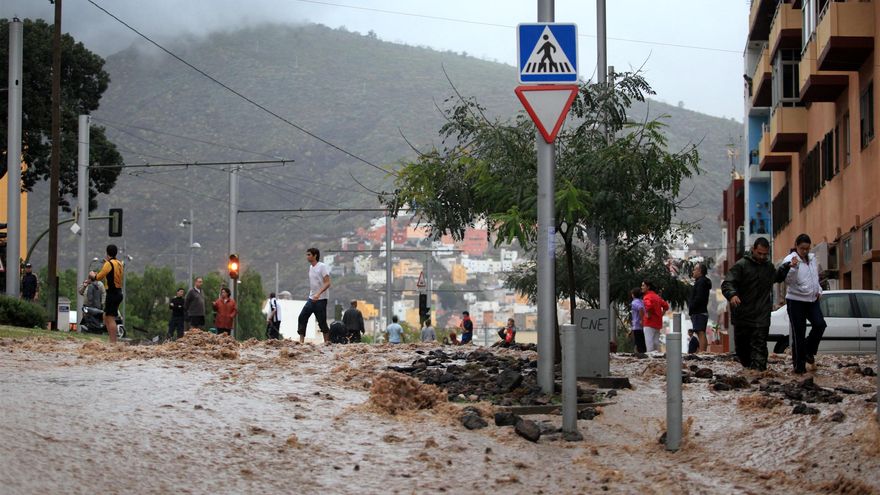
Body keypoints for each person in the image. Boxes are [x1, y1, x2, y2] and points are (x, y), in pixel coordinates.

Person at [721, 237, 791, 371]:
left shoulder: (768, 267)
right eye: (760, 253)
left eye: (765, 254)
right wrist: (732, 294)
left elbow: (776, 277)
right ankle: (748, 374)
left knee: (760, 350)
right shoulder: (741, 265)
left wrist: (786, 267)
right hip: (743, 315)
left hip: (761, 316)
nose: (762, 257)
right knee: (743, 351)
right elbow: (727, 283)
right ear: (753, 250)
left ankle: (759, 379)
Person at [782, 234, 826, 374]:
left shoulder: (812, 259)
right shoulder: (790, 260)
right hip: (796, 301)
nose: (805, 251)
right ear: (796, 246)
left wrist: (819, 290)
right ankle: (799, 367)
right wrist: (793, 267)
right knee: (798, 334)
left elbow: (815, 278)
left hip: (812, 300)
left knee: (820, 324)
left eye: (807, 248)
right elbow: (788, 281)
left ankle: (808, 351)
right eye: (802, 249)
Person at [297, 247, 331, 344]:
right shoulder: (311, 267)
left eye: (309, 255)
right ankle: (301, 342)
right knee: (302, 316)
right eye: (307, 255)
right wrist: (314, 295)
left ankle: (326, 343)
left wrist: (318, 294)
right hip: (311, 298)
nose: (307, 257)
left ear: (315, 255)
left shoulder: (322, 266)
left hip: (321, 299)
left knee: (322, 322)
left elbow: (328, 283)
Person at [94, 244, 124, 344]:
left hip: (112, 293)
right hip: (118, 292)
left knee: (110, 317)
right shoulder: (119, 263)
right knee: (106, 316)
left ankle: (113, 342)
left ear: (107, 253)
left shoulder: (109, 263)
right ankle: (111, 340)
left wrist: (92, 275)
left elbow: (98, 277)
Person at [688, 262, 712, 352]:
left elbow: (699, 298)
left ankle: (703, 352)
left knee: (700, 332)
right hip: (699, 311)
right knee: (700, 332)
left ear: (700, 271)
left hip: (699, 311)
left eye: (694, 269)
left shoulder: (701, 282)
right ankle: (703, 352)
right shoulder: (701, 282)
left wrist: (692, 306)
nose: (693, 271)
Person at [641, 280, 669, 353]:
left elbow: (649, 306)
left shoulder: (646, 297)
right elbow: (666, 306)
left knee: (649, 343)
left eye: (643, 285)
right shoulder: (657, 297)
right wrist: (661, 315)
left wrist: (648, 314)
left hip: (649, 323)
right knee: (656, 343)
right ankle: (656, 359)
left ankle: (650, 360)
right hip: (657, 323)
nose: (642, 287)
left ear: (648, 287)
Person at [629, 288, 647, 353]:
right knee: (643, 343)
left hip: (637, 325)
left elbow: (640, 308)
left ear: (633, 295)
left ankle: (641, 356)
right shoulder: (642, 301)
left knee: (638, 344)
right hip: (642, 326)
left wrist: (641, 320)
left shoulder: (634, 302)